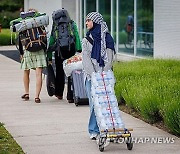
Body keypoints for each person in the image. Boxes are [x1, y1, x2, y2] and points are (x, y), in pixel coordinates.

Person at [82, 12, 115, 140]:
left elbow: (109, 60)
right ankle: (93, 130)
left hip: (105, 77)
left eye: (88, 21)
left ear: (95, 22)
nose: (86, 23)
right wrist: (95, 76)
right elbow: (86, 61)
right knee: (94, 104)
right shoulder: (86, 40)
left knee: (106, 105)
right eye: (86, 21)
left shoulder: (107, 39)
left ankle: (106, 129)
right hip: (91, 78)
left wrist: (103, 75)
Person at [47, 9, 82, 102]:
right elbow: (77, 37)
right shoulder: (71, 24)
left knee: (59, 72)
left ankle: (59, 93)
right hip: (71, 51)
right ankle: (70, 95)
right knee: (71, 72)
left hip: (59, 52)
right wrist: (79, 50)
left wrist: (49, 56)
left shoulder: (55, 26)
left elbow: (51, 41)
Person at [19, 9, 47, 103]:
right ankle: (37, 97)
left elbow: (20, 38)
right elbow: (45, 37)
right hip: (39, 49)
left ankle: (27, 93)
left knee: (26, 71)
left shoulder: (24, 23)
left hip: (28, 49)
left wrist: (21, 53)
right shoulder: (39, 22)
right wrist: (45, 50)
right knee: (38, 74)